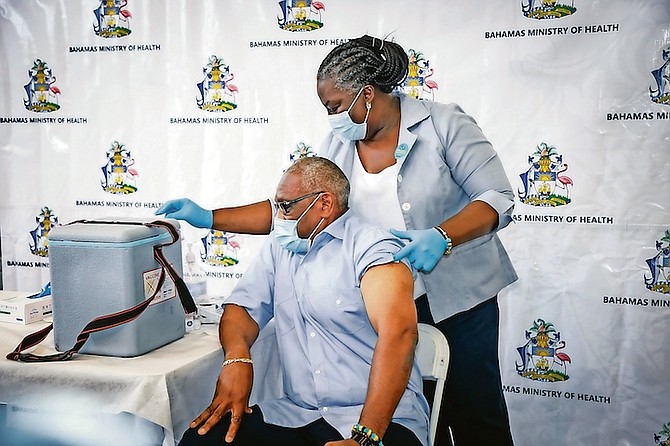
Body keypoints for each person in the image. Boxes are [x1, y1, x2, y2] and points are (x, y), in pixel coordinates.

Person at [157, 34, 518, 446]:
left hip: (456, 297)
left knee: (474, 415)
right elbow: (299, 205)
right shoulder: (340, 143)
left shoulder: (444, 124)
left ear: (367, 94)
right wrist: (209, 218)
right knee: (386, 397)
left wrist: (442, 236)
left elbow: (497, 198)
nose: (331, 116)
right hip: (376, 296)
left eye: (335, 105)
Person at [177, 156, 429, 446]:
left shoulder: (373, 247)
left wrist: (366, 437)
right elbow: (242, 308)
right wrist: (237, 357)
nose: (278, 218)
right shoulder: (281, 247)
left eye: (286, 206)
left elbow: (399, 332)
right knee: (199, 441)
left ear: (324, 204)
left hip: (380, 421)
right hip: (299, 414)